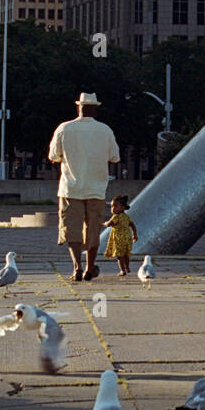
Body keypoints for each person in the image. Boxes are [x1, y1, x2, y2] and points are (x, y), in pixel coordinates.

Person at [47, 92, 120, 282]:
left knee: (72, 229)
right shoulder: (105, 130)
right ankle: (89, 266)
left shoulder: (64, 128)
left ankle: (76, 267)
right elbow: (114, 157)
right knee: (94, 229)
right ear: (95, 110)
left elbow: (54, 156)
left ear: (78, 108)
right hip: (96, 188)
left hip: (70, 189)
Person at [104, 195, 138, 277]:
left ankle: (122, 270)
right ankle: (127, 267)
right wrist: (134, 234)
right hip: (127, 238)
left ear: (123, 207)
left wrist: (104, 223)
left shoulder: (116, 217)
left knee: (119, 256)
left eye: (115, 206)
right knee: (126, 255)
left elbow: (109, 224)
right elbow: (132, 225)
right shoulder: (126, 216)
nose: (113, 208)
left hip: (119, 239)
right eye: (111, 206)